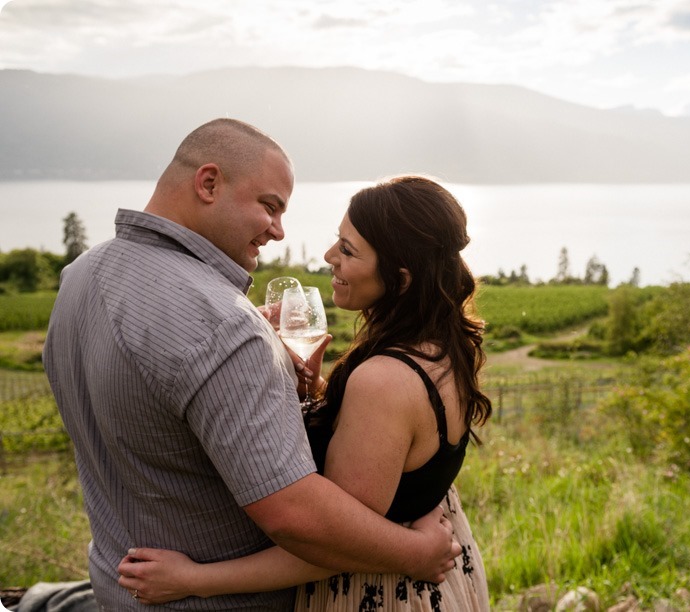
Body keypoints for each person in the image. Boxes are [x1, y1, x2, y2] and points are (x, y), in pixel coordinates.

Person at [42, 121, 459, 611]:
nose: (279, 230)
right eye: (269, 206)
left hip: (120, 586)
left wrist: (288, 381)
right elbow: (295, 517)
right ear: (209, 183)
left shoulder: (80, 277)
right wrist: (416, 553)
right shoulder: (226, 328)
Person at [115, 175, 493, 611]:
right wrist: (313, 388)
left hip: (381, 594)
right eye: (338, 241)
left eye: (348, 251)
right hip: (445, 582)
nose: (329, 257)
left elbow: (335, 545)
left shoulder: (384, 380)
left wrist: (193, 579)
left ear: (401, 278)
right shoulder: (442, 349)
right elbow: (399, 450)